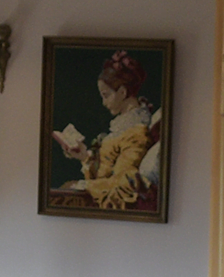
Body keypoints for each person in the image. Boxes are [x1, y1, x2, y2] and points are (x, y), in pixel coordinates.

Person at [52, 51, 162, 212]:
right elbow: (105, 173)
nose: (103, 103)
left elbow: (123, 183)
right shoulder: (123, 126)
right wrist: (84, 157)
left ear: (122, 92)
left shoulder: (137, 133)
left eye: (106, 95)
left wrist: (82, 185)